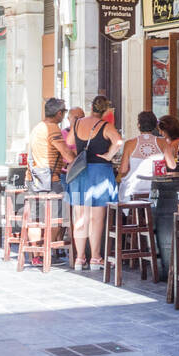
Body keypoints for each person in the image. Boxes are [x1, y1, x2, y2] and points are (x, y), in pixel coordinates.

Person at [68, 95, 122, 270]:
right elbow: (119, 142)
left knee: (80, 216)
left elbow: (69, 141)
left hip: (80, 172)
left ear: (91, 107)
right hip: (99, 172)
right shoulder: (106, 126)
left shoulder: (77, 123)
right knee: (96, 218)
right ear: (105, 110)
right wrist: (108, 155)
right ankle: (96, 258)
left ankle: (80, 258)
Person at [118, 111, 176, 201]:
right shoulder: (163, 142)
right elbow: (172, 165)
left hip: (133, 190)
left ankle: (129, 214)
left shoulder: (129, 144)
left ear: (138, 125)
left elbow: (123, 169)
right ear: (154, 126)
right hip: (154, 190)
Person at [28, 97, 74, 195]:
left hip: (35, 179)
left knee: (38, 210)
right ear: (59, 113)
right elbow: (67, 153)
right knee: (56, 210)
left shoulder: (37, 128)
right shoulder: (52, 128)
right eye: (64, 112)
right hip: (50, 180)